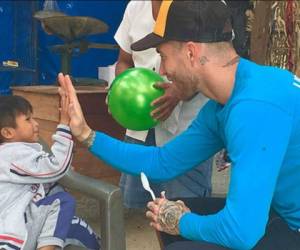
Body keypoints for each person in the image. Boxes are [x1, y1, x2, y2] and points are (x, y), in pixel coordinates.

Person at [58, 1, 300, 249]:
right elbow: (162, 162)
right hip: (284, 216)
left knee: (181, 240)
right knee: (179, 213)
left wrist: (181, 221)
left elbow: (240, 232)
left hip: (291, 227)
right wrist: (87, 135)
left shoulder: (254, 108)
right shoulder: (226, 102)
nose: (162, 70)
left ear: (191, 52)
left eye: (163, 56)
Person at [114, 0, 212, 209]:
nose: (163, 73)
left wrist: (179, 91)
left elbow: (215, 61)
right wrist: (123, 92)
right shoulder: (135, 7)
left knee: (184, 208)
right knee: (136, 211)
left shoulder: (208, 6)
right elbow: (124, 60)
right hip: (139, 131)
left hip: (187, 132)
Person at [0, 94, 100, 250]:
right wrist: (64, 126)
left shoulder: (9, 155)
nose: (36, 123)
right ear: (7, 133)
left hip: (13, 228)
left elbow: (48, 173)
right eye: (28, 120)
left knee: (54, 189)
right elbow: (56, 166)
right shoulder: (13, 153)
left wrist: (55, 174)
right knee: (62, 201)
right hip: (15, 235)